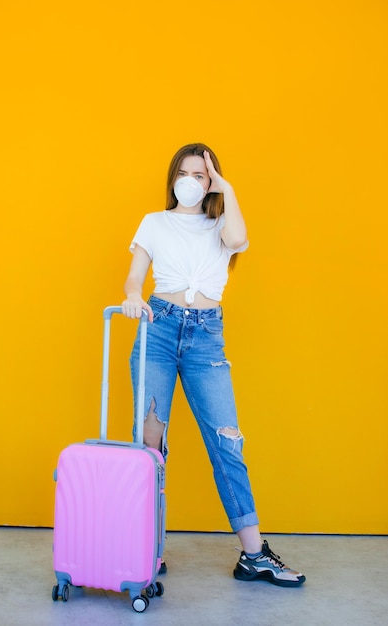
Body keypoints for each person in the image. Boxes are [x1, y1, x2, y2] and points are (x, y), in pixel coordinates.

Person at [121, 143, 305, 587]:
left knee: (227, 443)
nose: (189, 180)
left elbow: (239, 241)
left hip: (205, 340)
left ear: (210, 182)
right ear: (172, 179)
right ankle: (149, 549)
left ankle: (254, 555)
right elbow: (134, 275)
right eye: (183, 173)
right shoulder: (155, 222)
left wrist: (228, 189)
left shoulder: (222, 225)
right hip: (158, 331)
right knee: (150, 445)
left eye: (200, 175)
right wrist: (131, 296)